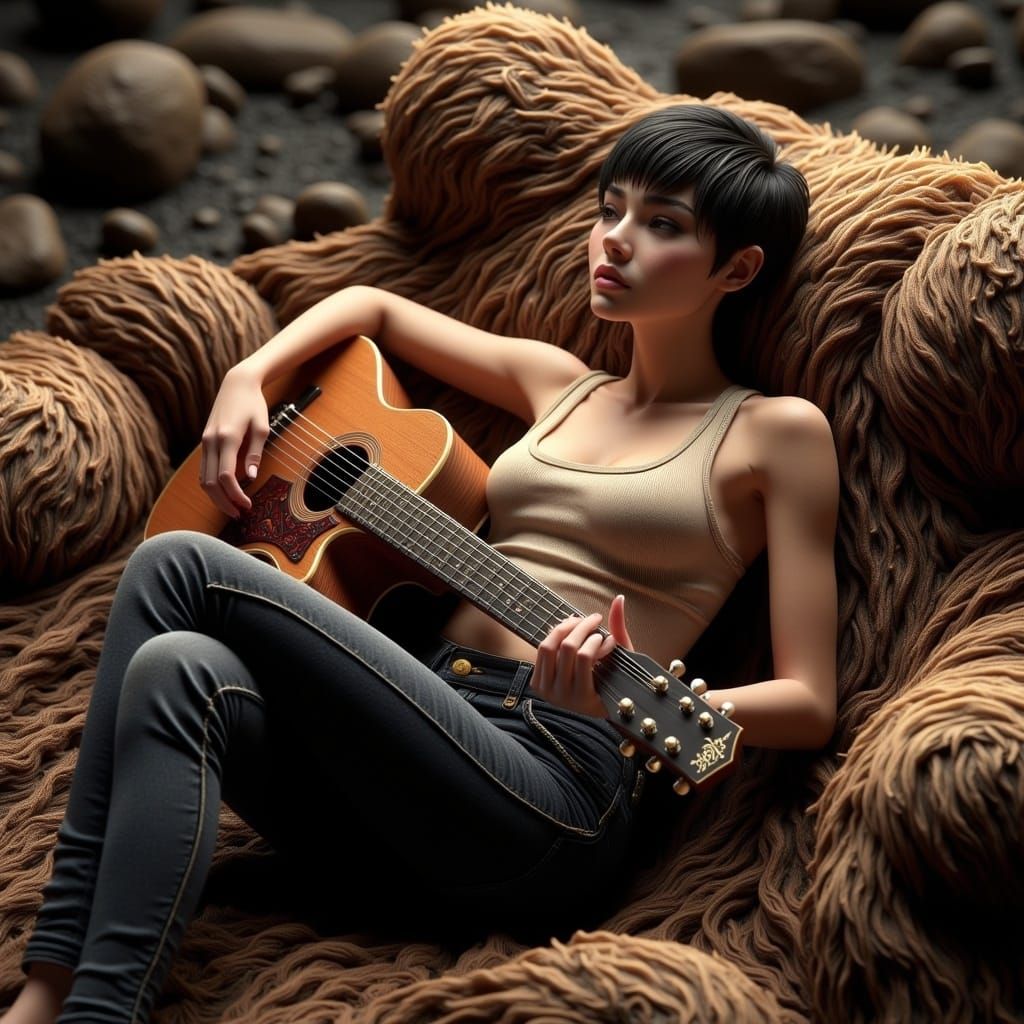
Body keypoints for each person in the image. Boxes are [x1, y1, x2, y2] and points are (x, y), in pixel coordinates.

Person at [3, 104, 838, 1024]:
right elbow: (376, 310)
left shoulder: (776, 434)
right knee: (178, 668)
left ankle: (49, 997)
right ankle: (92, 1005)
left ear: (739, 268)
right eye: (611, 210)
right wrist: (249, 374)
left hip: (553, 788)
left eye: (663, 225)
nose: (616, 241)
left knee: (179, 566)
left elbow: (810, 703)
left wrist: (620, 701)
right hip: (410, 765)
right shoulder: (556, 383)